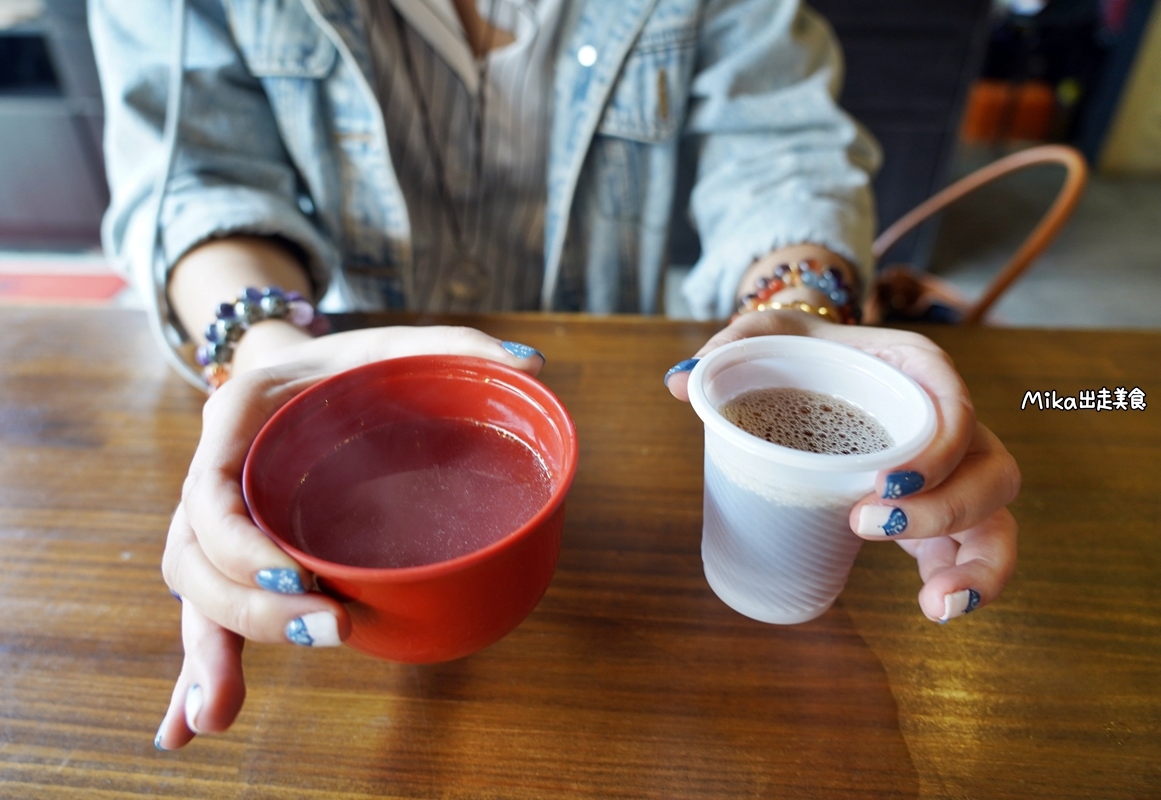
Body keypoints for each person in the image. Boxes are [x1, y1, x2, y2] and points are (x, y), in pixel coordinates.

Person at [89, 0, 1020, 751]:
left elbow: (781, 154)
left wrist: (803, 318)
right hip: (332, 376)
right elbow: (198, 178)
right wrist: (263, 358)